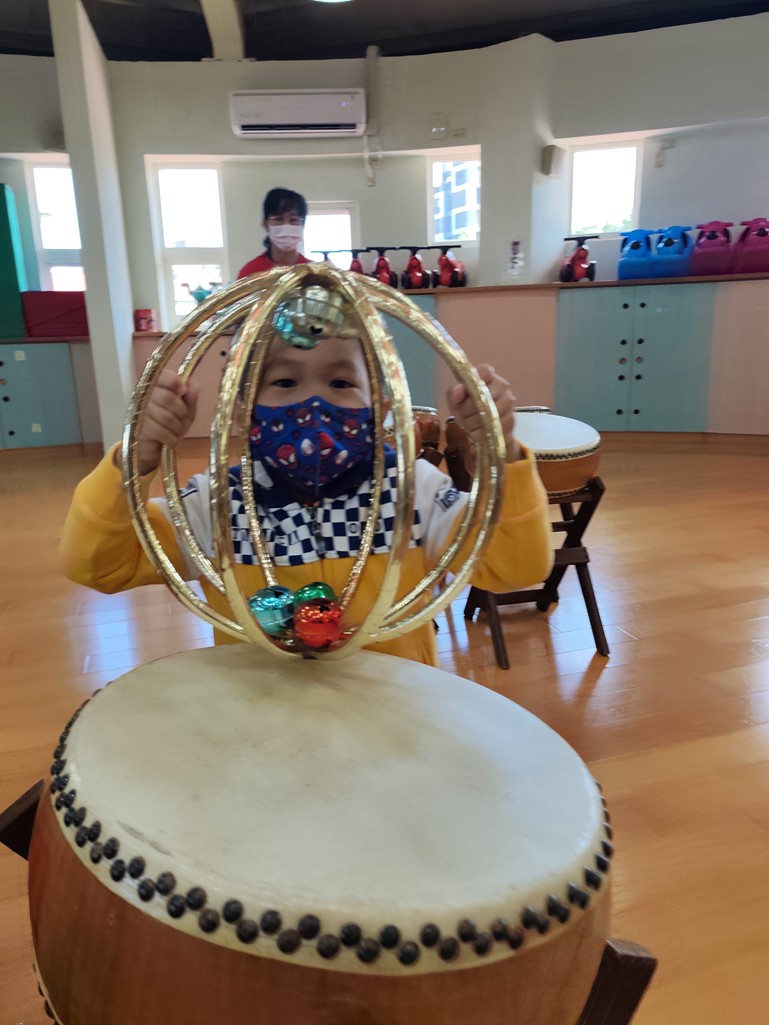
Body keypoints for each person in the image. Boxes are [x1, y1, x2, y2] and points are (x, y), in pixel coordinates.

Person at [60, 309, 553, 668]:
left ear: (381, 406)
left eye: (340, 383)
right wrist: (136, 460)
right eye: (283, 382)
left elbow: (516, 566)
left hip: (394, 728)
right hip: (261, 734)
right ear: (240, 410)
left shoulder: (414, 493)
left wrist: (503, 454)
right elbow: (98, 564)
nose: (314, 402)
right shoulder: (216, 508)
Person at [237, 187, 311, 278]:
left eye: (293, 220)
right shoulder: (250, 272)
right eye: (278, 219)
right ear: (265, 224)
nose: (286, 226)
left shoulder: (312, 272)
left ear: (303, 225)